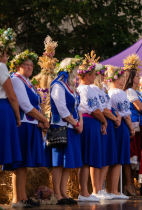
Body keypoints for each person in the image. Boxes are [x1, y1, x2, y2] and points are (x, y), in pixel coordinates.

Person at [3, 50, 48, 208]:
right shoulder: (16, 80)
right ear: (18, 66)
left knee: (24, 164)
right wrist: (44, 119)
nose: (29, 67)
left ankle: (23, 196)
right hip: (22, 124)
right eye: (26, 64)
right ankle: (16, 198)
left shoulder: (28, 82)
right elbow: (26, 106)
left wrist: (40, 121)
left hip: (31, 124)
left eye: (31, 65)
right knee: (19, 163)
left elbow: (35, 105)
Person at [44, 57, 84, 205]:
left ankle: (64, 192)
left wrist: (79, 124)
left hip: (71, 127)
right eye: (76, 70)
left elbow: (77, 107)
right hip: (60, 127)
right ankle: (57, 194)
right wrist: (75, 123)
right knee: (58, 162)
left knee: (68, 163)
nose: (77, 73)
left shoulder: (70, 87)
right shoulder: (58, 86)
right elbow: (61, 108)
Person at [0, 29, 22, 209]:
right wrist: (18, 117)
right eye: (5, 52)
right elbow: (12, 96)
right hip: (2, 110)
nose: (7, 56)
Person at [77, 60, 108, 202]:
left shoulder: (84, 88)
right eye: (94, 74)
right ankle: (83, 192)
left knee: (87, 159)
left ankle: (85, 191)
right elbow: (95, 109)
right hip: (89, 122)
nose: (95, 77)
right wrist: (104, 121)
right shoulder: (86, 89)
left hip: (90, 122)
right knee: (86, 159)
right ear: (88, 75)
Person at [90, 63, 120, 199]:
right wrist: (114, 118)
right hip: (101, 122)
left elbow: (107, 106)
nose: (103, 76)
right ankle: (97, 189)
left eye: (104, 74)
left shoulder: (102, 90)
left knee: (106, 157)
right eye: (101, 74)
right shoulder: (93, 89)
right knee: (99, 157)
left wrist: (116, 117)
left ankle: (101, 188)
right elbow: (101, 109)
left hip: (106, 122)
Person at [107, 66, 134, 199]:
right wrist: (131, 127)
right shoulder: (120, 93)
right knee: (119, 159)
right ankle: (114, 190)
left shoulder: (108, 92)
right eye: (123, 77)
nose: (125, 79)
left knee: (113, 158)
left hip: (111, 125)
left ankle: (111, 189)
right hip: (121, 125)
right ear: (116, 78)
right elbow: (126, 114)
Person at [123, 68, 142, 196]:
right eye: (137, 76)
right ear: (131, 78)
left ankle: (132, 185)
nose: (139, 77)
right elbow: (140, 107)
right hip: (134, 127)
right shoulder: (130, 91)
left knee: (134, 158)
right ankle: (129, 184)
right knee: (131, 157)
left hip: (139, 127)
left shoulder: (137, 92)